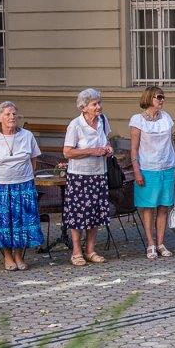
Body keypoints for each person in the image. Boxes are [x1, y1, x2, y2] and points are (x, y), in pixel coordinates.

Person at [0, 101, 43, 271]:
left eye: (14, 114)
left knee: (23, 222)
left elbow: (34, 158)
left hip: (24, 185)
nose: (12, 117)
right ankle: (7, 257)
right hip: (2, 186)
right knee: (5, 223)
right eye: (7, 114)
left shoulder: (27, 135)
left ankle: (19, 256)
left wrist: (28, 175)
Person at [62, 88, 113, 266]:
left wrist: (107, 148)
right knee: (78, 214)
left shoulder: (103, 121)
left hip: (99, 173)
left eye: (99, 103)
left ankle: (90, 249)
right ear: (84, 107)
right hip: (79, 175)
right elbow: (67, 152)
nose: (98, 107)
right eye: (94, 104)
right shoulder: (75, 125)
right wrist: (91, 151)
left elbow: (106, 140)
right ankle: (76, 252)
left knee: (95, 213)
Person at [129, 86, 175, 260]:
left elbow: (171, 143)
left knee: (164, 206)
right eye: (159, 97)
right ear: (149, 98)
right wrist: (137, 172)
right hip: (147, 168)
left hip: (167, 166)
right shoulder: (137, 120)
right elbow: (133, 149)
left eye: (163, 97)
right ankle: (150, 243)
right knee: (148, 207)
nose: (162, 100)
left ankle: (161, 242)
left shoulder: (166, 118)